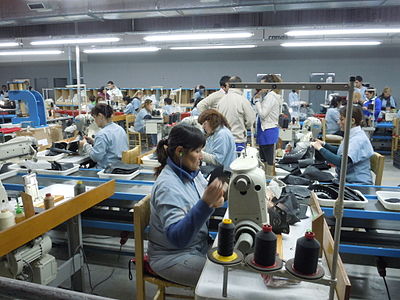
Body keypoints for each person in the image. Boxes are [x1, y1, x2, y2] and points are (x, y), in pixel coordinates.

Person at [148, 124, 225, 287]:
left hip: (197, 246)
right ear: (180, 151)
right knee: (224, 280)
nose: (201, 156)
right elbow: (178, 239)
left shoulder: (193, 175)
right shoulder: (167, 186)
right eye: (197, 151)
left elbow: (203, 206)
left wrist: (213, 201)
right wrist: (206, 204)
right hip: (172, 257)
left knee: (236, 268)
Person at [311, 106, 374, 185]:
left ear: (352, 121)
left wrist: (320, 148)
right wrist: (324, 144)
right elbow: (340, 151)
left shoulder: (358, 140)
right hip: (347, 180)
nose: (338, 122)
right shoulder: (352, 135)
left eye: (341, 119)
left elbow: (341, 162)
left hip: (358, 184)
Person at [80, 103, 128, 169]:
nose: (95, 121)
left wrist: (85, 145)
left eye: (95, 118)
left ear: (100, 116)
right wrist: (94, 142)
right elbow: (112, 146)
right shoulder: (119, 129)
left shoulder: (102, 134)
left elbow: (95, 157)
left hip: (107, 169)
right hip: (121, 165)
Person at [253, 74, 283, 176]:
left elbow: (262, 114)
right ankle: (266, 180)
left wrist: (257, 101)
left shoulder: (271, 96)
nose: (261, 87)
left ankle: (268, 181)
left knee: (269, 161)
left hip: (268, 131)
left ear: (270, 85)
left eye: (263, 84)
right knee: (265, 160)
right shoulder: (270, 96)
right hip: (266, 130)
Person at [217, 76, 256, 152]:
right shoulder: (242, 100)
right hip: (238, 140)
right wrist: (245, 125)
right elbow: (250, 120)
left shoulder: (221, 101)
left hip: (223, 141)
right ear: (240, 85)